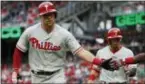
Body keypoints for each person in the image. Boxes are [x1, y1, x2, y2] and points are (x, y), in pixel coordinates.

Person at [12, 2, 107, 83]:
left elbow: (81, 52)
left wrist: (99, 62)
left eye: (51, 14)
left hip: (57, 75)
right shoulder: (30, 32)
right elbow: (18, 51)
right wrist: (16, 70)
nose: (49, 18)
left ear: (55, 15)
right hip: (36, 77)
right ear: (40, 17)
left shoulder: (64, 34)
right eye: (45, 15)